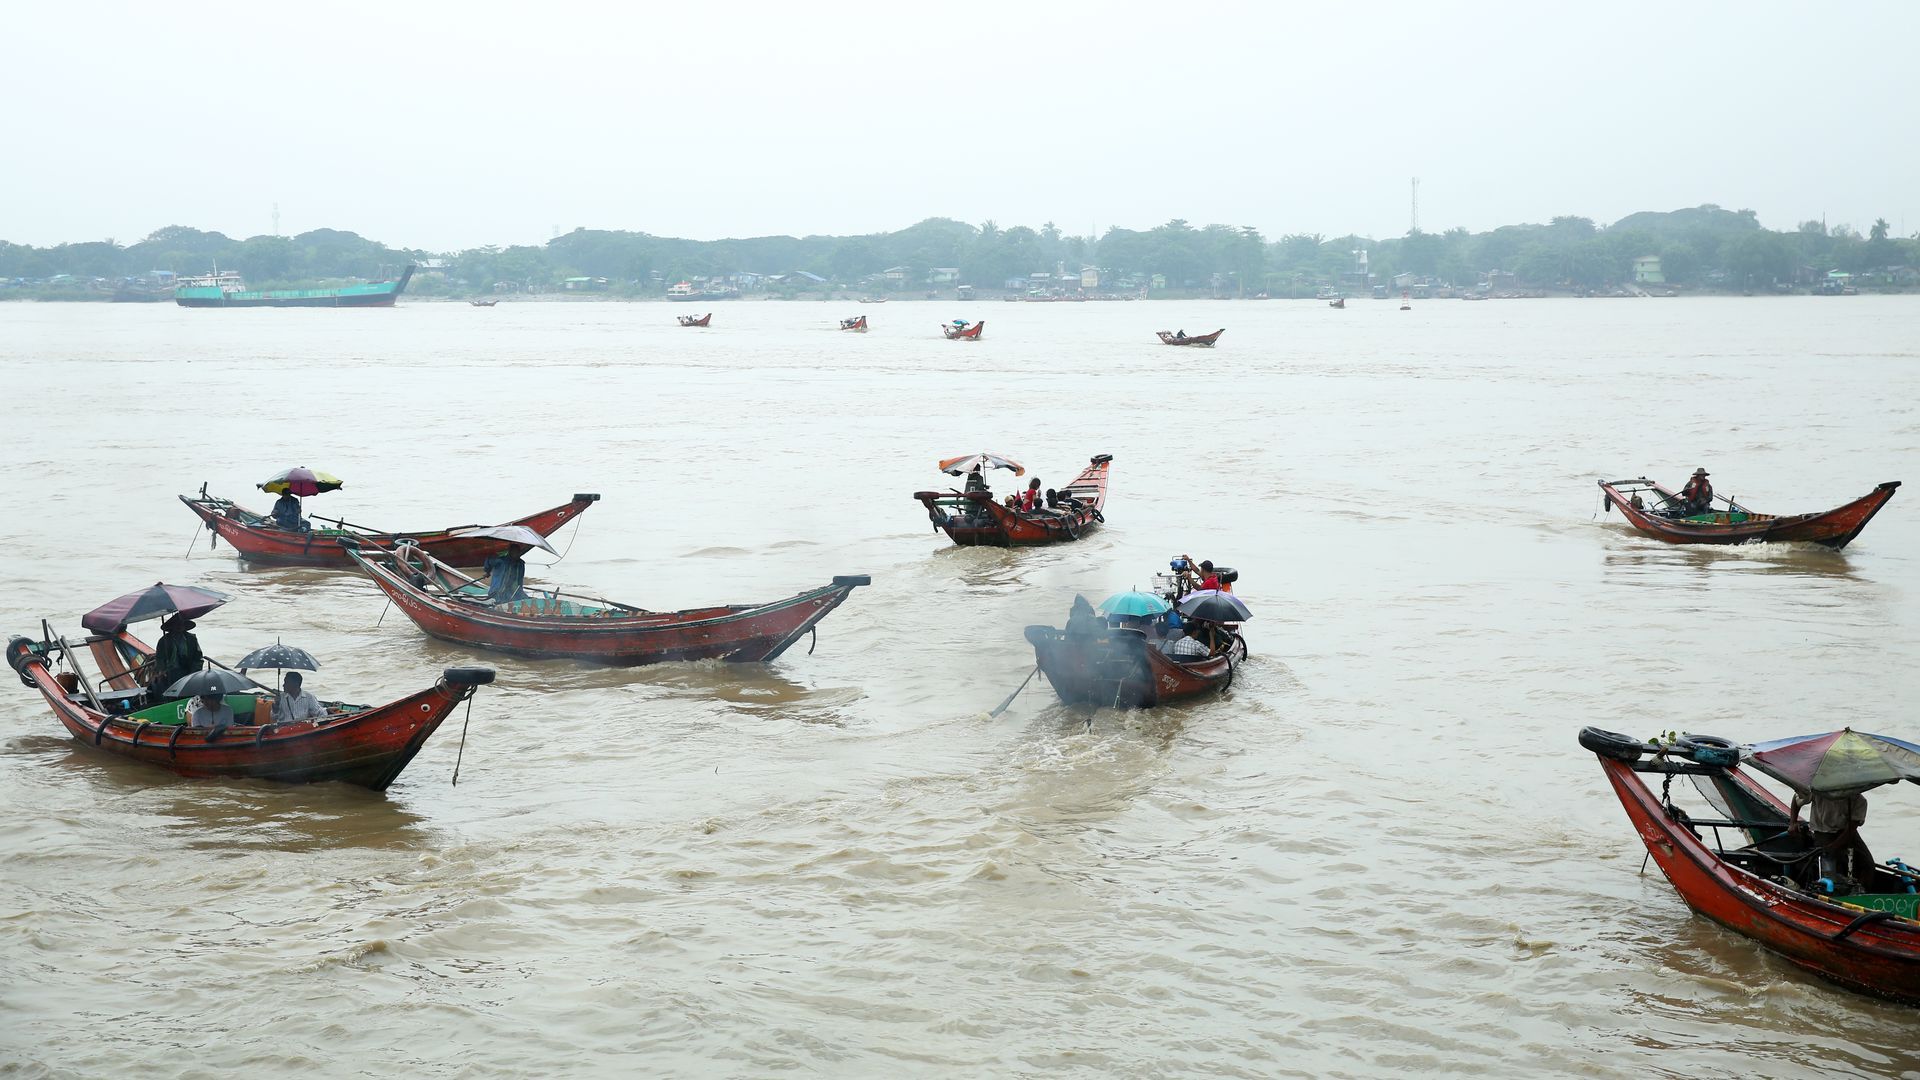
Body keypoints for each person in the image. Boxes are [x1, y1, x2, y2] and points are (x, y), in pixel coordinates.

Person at [1792, 789, 1876, 886]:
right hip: (1823, 832)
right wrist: (1793, 822)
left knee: (1867, 864)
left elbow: (1851, 828)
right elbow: (1796, 799)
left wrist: (1834, 846)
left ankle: (1862, 891)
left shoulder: (1859, 800)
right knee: (1831, 867)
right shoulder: (1818, 790)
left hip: (1847, 832)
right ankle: (1833, 889)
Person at [147, 613, 203, 698]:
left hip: (188, 670)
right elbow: (160, 659)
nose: (179, 626)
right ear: (171, 626)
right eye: (176, 624)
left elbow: (198, 658)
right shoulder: (164, 641)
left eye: (181, 624)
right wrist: (161, 670)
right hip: (170, 672)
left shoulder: (191, 639)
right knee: (157, 687)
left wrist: (194, 672)